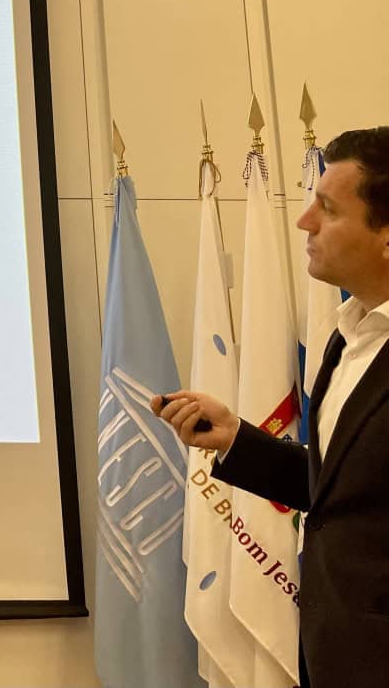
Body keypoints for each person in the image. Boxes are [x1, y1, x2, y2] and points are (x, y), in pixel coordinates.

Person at [152, 127, 389, 688]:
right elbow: (337, 491)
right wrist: (237, 437)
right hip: (335, 655)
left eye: (327, 210)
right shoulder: (347, 334)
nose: (305, 222)